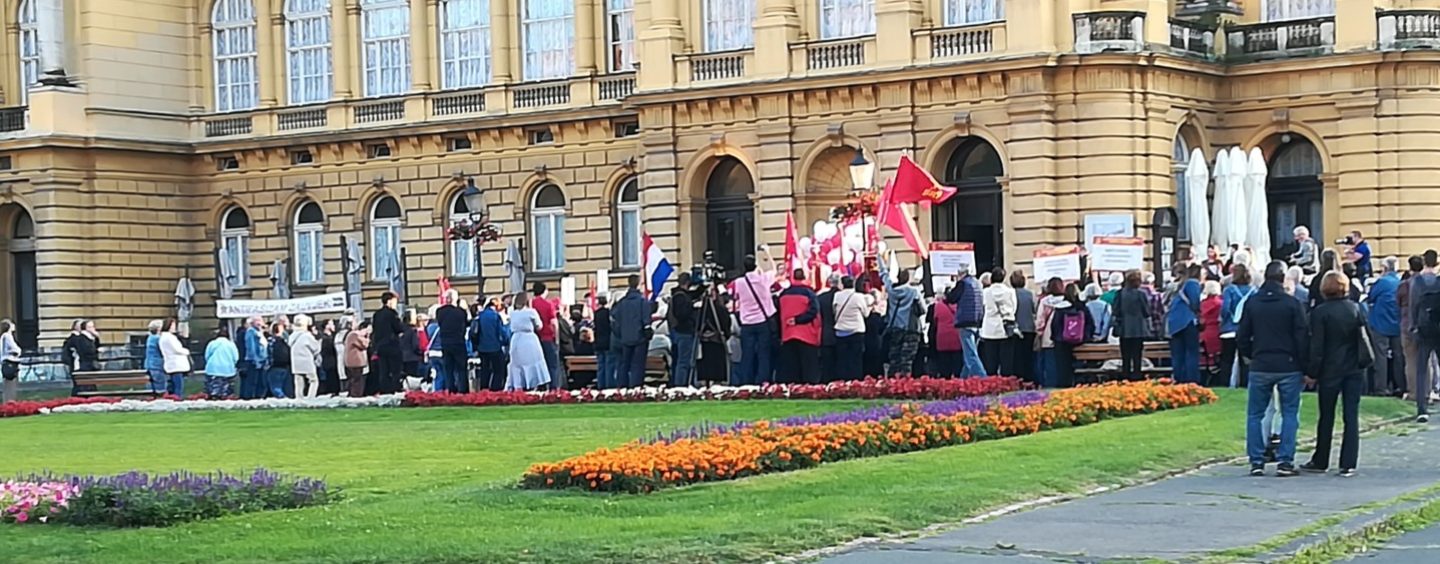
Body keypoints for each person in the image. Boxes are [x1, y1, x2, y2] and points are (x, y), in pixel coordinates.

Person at [1238, 261, 1309, 477]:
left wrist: (1251, 354)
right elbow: (1302, 337)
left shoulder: (1253, 303)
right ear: (1282, 278)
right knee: (1290, 413)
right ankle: (1285, 461)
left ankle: (1257, 460)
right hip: (1288, 363)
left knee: (1255, 414)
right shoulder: (1292, 304)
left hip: (1261, 362)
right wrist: (1304, 365)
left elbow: (1242, 335)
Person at [1302, 271, 1369, 477]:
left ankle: (1321, 459)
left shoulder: (1320, 312)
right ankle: (1348, 462)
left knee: (1327, 415)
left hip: (1330, 369)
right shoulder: (1355, 308)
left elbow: (1317, 346)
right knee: (1351, 415)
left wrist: (1312, 372)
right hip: (1354, 367)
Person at [730, 251, 778, 386]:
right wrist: (768, 253)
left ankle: (747, 381)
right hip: (762, 321)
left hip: (747, 323)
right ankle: (762, 380)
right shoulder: (763, 279)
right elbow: (773, 269)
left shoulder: (739, 282)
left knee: (747, 354)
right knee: (764, 354)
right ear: (755, 266)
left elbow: (733, 296)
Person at [1406, 249, 1440, 424]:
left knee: (1421, 370)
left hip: (1423, 329)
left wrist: (1413, 327)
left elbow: (1413, 306)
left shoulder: (1417, 281)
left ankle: (1422, 408)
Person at [1366, 257, 1404, 396]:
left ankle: (1381, 388)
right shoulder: (1400, 282)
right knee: (1399, 356)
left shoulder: (1382, 282)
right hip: (1397, 324)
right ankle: (1400, 386)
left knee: (1380, 357)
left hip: (1380, 323)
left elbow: (1371, 297)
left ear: (1384, 268)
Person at [779, 269, 822, 384]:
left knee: (792, 366)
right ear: (804, 278)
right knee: (809, 367)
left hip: (787, 334)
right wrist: (798, 320)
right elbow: (814, 311)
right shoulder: (809, 293)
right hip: (806, 334)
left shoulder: (783, 294)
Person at [1049, 283, 1094, 388]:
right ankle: (1079, 382)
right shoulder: (1082, 307)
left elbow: (1055, 324)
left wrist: (1054, 337)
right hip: (1079, 341)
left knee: (1062, 365)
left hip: (1061, 341)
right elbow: (1090, 324)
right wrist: (1086, 337)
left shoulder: (1060, 308)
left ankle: (1064, 385)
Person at [945, 267, 986, 378]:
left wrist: (948, 289)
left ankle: (983, 378)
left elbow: (951, 298)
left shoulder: (962, 283)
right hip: (976, 321)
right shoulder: (977, 283)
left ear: (961, 274)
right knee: (971, 352)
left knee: (970, 354)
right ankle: (963, 378)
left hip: (965, 322)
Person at [1220, 263, 1257, 388]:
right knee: (1245, 360)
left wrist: (1226, 320)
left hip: (1229, 329)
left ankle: (1225, 383)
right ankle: (1244, 384)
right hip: (1246, 330)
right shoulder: (1253, 290)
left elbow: (1225, 309)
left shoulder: (1229, 290)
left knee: (1227, 359)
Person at [1165, 264, 1203, 385]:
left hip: (1174, 322)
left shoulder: (1179, 285)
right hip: (1187, 321)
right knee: (1191, 352)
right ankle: (1191, 380)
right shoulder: (1193, 283)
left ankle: (1178, 379)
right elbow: (1195, 303)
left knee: (1177, 353)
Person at [884, 263, 923, 377]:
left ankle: (891, 383)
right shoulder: (914, 291)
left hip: (895, 327)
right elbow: (922, 309)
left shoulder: (892, 291)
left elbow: (884, 275)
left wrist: (879, 258)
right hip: (911, 328)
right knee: (907, 359)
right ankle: (905, 385)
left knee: (894, 358)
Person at [506, 292, 551, 391]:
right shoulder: (531, 312)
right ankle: (533, 384)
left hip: (516, 339)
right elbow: (539, 326)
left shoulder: (512, 313)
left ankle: (518, 385)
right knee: (533, 362)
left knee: (517, 364)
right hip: (529, 339)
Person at [1113, 270, 1153, 381]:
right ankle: (1136, 375)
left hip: (1124, 329)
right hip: (1138, 329)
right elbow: (1146, 312)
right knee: (1137, 356)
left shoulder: (1120, 294)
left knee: (1125, 355)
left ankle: (1125, 375)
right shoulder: (1141, 294)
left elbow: (1115, 311)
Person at [612, 275, 650, 388]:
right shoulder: (642, 302)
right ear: (639, 285)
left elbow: (614, 321)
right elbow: (646, 321)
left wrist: (620, 334)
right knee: (637, 365)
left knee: (624, 365)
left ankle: (622, 388)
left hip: (624, 338)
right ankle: (636, 388)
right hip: (639, 338)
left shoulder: (621, 303)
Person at [979, 267, 1017, 375]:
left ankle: (993, 384)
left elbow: (982, 307)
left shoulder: (986, 292)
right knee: (1006, 361)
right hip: (1005, 329)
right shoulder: (1010, 291)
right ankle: (1006, 384)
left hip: (989, 330)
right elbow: (1013, 309)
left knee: (991, 362)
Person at [833, 276, 870, 382]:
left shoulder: (837, 296)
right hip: (856, 330)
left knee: (842, 359)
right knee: (856, 359)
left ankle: (842, 381)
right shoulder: (859, 297)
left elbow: (834, 311)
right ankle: (855, 381)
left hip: (841, 330)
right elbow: (866, 313)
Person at [434, 289, 471, 394]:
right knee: (461, 369)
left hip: (445, 343)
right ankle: (463, 390)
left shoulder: (440, 311)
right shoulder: (461, 312)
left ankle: (451, 390)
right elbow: (466, 324)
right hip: (458, 342)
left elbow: (440, 324)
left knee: (448, 368)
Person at [1034, 277, 1068, 387]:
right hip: (1064, 335)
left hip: (1048, 335)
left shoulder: (1045, 301)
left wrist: (1039, 333)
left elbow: (1040, 319)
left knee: (1049, 362)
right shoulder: (1066, 300)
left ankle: (1049, 385)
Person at [1398, 255, 1423, 401]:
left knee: (1411, 360)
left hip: (1407, 324)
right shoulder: (1429, 282)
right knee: (1426, 361)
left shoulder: (1404, 285)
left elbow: (1398, 303)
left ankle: (1414, 392)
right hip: (1425, 325)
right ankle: (1426, 392)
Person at [471, 297, 510, 391]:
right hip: (495, 347)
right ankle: (495, 390)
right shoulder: (496, 316)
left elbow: (473, 333)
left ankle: (484, 390)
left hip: (482, 348)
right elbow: (501, 332)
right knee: (498, 370)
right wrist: (506, 341)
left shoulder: (480, 316)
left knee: (485, 370)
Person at [371, 292, 405, 395]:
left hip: (380, 347)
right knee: (395, 370)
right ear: (389, 301)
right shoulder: (392, 314)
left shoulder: (376, 314)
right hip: (392, 346)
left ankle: (384, 390)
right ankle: (394, 389)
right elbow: (398, 328)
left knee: (383, 370)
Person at [529, 282, 562, 386]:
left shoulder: (531, 304)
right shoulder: (548, 304)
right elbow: (554, 323)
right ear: (544, 291)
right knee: (553, 365)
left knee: (538, 365)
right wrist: (557, 339)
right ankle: (553, 388)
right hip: (548, 337)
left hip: (534, 339)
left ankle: (541, 387)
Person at [669, 273, 699, 387]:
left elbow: (693, 295)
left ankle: (682, 383)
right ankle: (681, 385)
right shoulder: (681, 297)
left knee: (682, 361)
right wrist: (692, 310)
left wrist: (701, 288)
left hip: (679, 331)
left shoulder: (678, 295)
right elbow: (682, 314)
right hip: (684, 331)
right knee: (684, 361)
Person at [1011, 271, 1037, 384]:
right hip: (1029, 327)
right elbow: (1034, 310)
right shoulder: (1030, 294)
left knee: (1016, 356)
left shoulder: (1010, 293)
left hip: (1015, 328)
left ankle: (1018, 377)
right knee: (1028, 355)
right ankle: (1029, 377)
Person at [930, 284, 961, 378]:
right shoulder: (959, 305)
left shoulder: (938, 306)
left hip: (942, 338)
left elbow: (935, 321)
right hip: (957, 338)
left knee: (944, 367)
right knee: (957, 366)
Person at [288, 315, 322, 399]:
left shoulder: (292, 336)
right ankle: (311, 397)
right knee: (313, 380)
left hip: (295, 362)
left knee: (299, 382)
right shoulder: (307, 336)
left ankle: (299, 398)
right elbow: (316, 348)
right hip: (306, 361)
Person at [157, 318, 191, 398]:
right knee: (178, 385)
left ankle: (172, 398)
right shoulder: (169, 337)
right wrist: (186, 351)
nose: (174, 327)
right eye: (173, 325)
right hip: (176, 364)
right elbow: (177, 349)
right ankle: (177, 398)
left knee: (172, 384)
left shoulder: (163, 337)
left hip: (171, 364)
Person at [203, 327, 239, 400]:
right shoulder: (231, 344)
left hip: (213, 369)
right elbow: (236, 357)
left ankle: (214, 397)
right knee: (227, 388)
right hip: (228, 369)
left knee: (213, 388)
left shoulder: (212, 343)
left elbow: (207, 355)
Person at [817, 274, 841, 381]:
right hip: (842, 332)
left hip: (826, 333)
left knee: (827, 363)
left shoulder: (821, 298)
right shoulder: (843, 297)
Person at [1199, 280, 1223, 382]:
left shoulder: (1202, 304)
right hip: (1217, 331)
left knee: (1205, 358)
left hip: (1204, 332)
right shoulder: (1221, 303)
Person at [241, 316, 269, 399]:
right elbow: (251, 347)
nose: (259, 323)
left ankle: (259, 397)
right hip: (254, 361)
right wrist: (255, 360)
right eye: (257, 321)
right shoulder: (251, 332)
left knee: (261, 382)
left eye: (260, 320)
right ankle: (251, 398)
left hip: (262, 360)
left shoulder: (259, 332)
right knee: (253, 381)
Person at [590, 294, 614, 389]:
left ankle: (601, 385)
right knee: (609, 365)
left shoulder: (596, 313)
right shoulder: (608, 313)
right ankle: (609, 385)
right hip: (608, 341)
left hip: (598, 341)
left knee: (601, 365)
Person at [344, 321, 372, 398]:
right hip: (355, 362)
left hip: (352, 362)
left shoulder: (352, 335)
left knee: (354, 379)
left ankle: (353, 394)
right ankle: (356, 395)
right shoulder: (354, 335)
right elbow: (364, 345)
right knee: (357, 380)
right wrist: (367, 338)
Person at [399, 309, 424, 390]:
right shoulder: (412, 330)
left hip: (401, 357)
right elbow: (415, 345)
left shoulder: (400, 330)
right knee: (413, 380)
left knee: (405, 379)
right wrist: (420, 353)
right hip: (413, 358)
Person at [267, 322, 292, 398]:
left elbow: (268, 353)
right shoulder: (286, 341)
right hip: (285, 366)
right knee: (284, 386)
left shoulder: (271, 341)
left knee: (275, 386)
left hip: (274, 366)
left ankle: (282, 398)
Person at [1, 320, 21, 404]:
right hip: (10, 362)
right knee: (11, 384)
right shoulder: (7, 336)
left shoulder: (4, 336)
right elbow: (15, 348)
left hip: (6, 362)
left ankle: (8, 401)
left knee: (7, 384)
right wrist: (18, 351)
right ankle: (10, 402)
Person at [144, 320, 165, 395]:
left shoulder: (150, 338)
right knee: (159, 385)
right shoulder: (158, 339)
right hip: (157, 364)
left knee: (151, 384)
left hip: (149, 364)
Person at [319, 319, 339, 396]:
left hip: (332, 362)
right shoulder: (325, 338)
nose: (334, 326)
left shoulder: (332, 336)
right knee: (331, 379)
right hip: (329, 362)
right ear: (327, 326)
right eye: (331, 324)